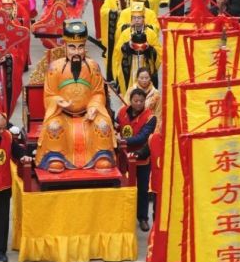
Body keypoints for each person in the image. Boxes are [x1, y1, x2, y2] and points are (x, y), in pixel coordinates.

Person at [35, 20, 117, 173]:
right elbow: (49, 95)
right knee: (54, 127)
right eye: (72, 47)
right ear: (65, 46)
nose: (77, 52)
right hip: (62, 114)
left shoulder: (93, 67)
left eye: (81, 47)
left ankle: (100, 157)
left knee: (103, 125)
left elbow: (98, 92)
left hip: (88, 115)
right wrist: (58, 101)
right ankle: (56, 157)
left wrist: (93, 106)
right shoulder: (55, 68)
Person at [0, 112, 31, 262]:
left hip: (4, 186)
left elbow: (16, 149)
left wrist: (23, 156)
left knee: (2, 221)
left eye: (3, 128)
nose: (1, 132)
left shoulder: (7, 136)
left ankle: (0, 250)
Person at [115, 87, 156, 231]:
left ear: (145, 101)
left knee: (143, 189)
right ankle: (122, 217)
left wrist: (123, 140)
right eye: (135, 101)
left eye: (141, 101)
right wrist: (115, 129)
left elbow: (143, 137)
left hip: (141, 157)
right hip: (123, 157)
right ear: (130, 101)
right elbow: (117, 125)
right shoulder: (122, 112)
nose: (138, 103)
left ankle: (143, 218)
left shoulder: (151, 117)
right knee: (122, 187)